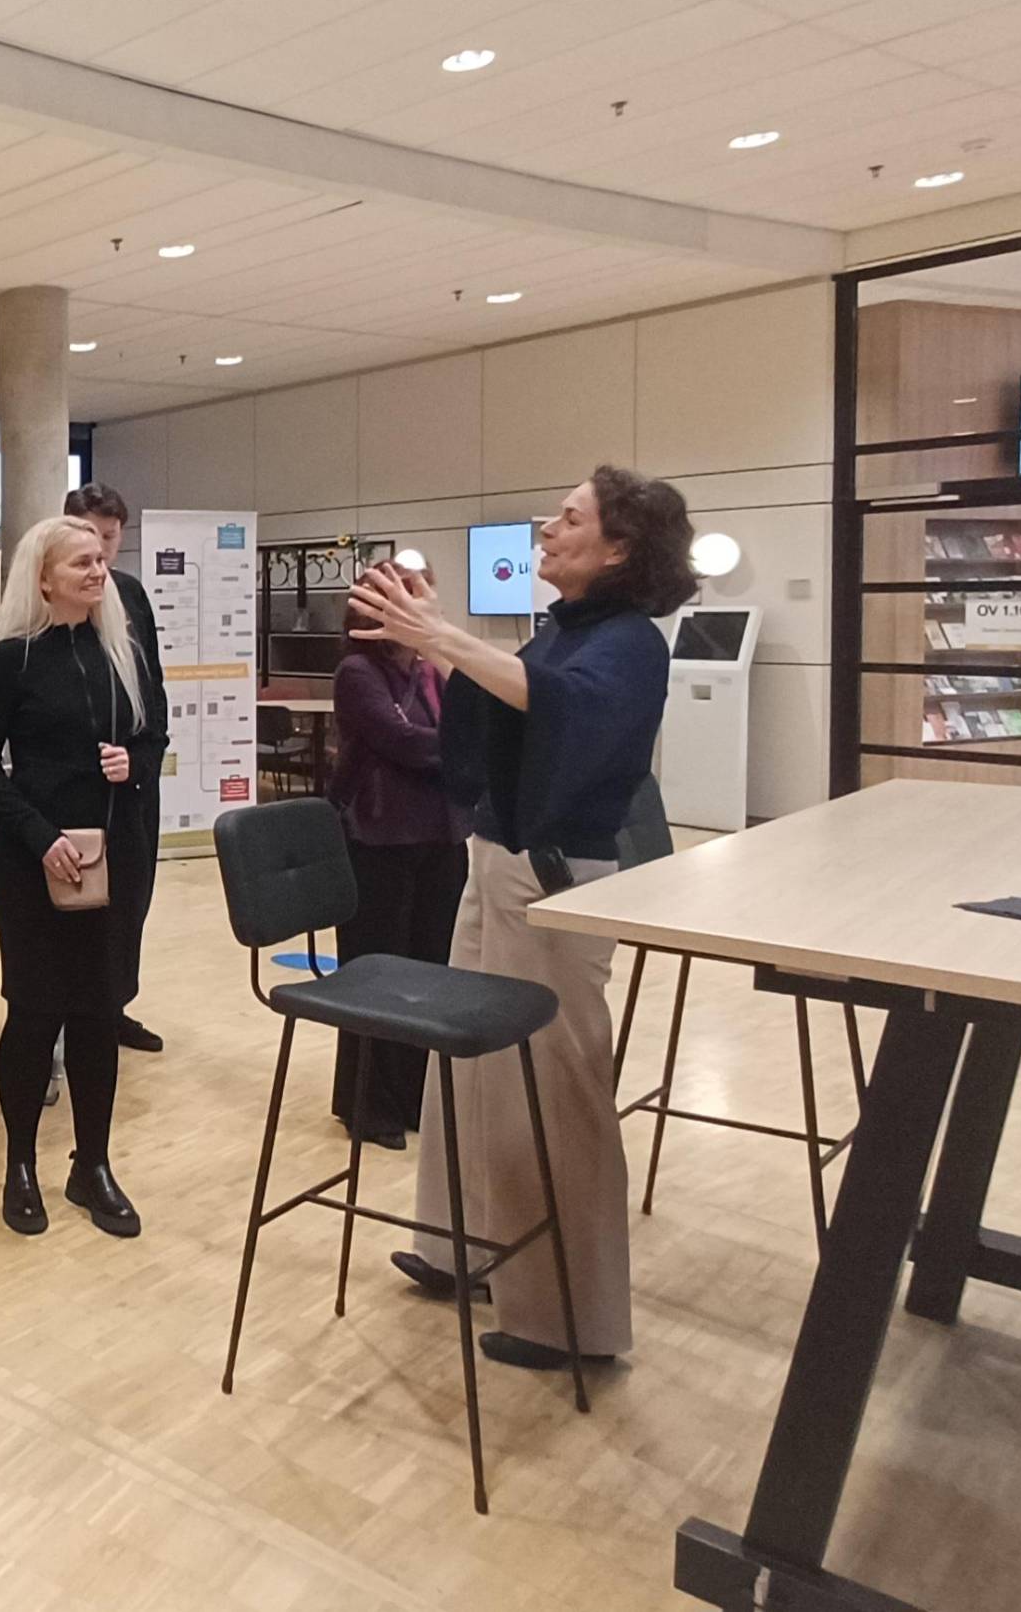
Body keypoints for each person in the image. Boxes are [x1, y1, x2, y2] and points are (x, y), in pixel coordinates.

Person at [349, 466, 697, 1372]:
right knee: (466, 1068)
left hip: (552, 881)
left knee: (554, 1088)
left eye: (570, 517)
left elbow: (566, 713)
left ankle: (570, 1317)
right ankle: (455, 1243)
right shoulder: (567, 629)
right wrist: (439, 646)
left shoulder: (627, 643)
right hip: (496, 863)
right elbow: (502, 711)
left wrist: (445, 640)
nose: (547, 526)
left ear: (618, 548)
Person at [0, 516, 165, 1239]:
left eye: (100, 560)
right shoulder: (11, 660)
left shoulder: (125, 653)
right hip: (34, 862)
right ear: (43, 576)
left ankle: (94, 1164)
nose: (97, 569)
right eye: (80, 561)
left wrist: (134, 764)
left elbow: (154, 737)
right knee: (34, 1012)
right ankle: (20, 1164)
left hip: (115, 858)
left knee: (97, 1011)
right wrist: (39, 834)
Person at [325, 571, 469, 1151]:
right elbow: (404, 741)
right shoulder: (357, 673)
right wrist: (463, 750)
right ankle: (366, 1104)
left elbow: (461, 728)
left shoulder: (429, 670)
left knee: (430, 972)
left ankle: (415, 1094)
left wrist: (461, 745)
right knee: (377, 973)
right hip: (377, 837)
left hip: (440, 836)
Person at [65, 484, 171, 1054]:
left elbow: (153, 691)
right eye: (90, 539)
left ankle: (114, 1006)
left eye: (111, 539)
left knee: (132, 899)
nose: (102, 555)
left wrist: (144, 760)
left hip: (133, 783)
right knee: (81, 909)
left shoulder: (131, 595)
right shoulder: (50, 600)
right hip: (78, 786)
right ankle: (73, 1012)